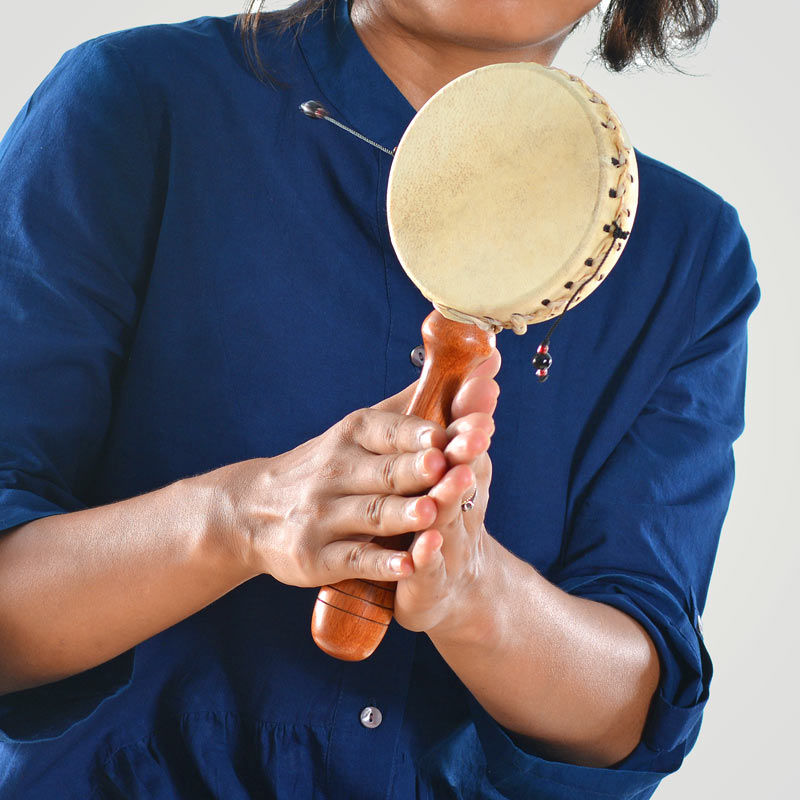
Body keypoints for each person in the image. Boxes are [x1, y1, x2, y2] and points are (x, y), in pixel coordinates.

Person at [0, 0, 758, 797]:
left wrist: (476, 593)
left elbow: (628, 715)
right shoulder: (137, 98)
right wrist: (238, 518)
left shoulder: (687, 254)